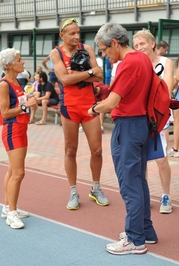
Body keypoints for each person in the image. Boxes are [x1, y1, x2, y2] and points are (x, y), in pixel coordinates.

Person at [90, 21, 158, 255]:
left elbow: (112, 102)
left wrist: (92, 110)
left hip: (128, 126)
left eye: (104, 49)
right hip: (142, 124)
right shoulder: (143, 60)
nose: (103, 53)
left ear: (115, 43)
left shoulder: (129, 63)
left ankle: (134, 238)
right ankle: (145, 231)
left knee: (130, 184)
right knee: (139, 181)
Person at [50, 18, 108, 210]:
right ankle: (73, 191)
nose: (76, 36)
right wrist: (88, 73)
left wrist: (78, 75)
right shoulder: (56, 53)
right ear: (62, 35)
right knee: (70, 151)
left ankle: (96, 187)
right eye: (72, 33)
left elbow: (100, 75)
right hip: (69, 107)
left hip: (90, 106)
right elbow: (65, 80)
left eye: (78, 33)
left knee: (97, 150)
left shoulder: (87, 49)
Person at [132, 29, 175, 214]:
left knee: (161, 159)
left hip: (159, 116)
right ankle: (145, 194)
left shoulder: (166, 62)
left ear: (152, 44)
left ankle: (166, 196)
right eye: (136, 46)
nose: (139, 48)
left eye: (142, 44)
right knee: (142, 160)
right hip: (140, 115)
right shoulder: (136, 64)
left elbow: (167, 88)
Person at [0, 48, 37, 229]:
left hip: (20, 128)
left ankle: (7, 207)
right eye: (20, 60)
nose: (23, 62)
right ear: (10, 65)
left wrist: (27, 100)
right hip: (12, 129)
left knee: (13, 170)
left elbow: (17, 104)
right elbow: (5, 113)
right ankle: (11, 213)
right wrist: (25, 105)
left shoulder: (16, 83)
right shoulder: (4, 84)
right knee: (19, 173)